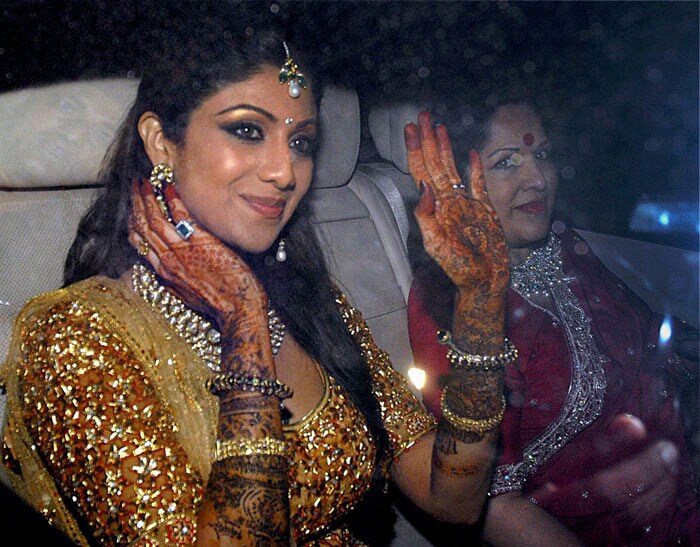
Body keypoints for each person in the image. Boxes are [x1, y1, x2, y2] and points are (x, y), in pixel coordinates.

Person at [0, 19, 512, 546]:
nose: (285, 171)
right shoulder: (73, 338)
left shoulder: (308, 301)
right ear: (161, 142)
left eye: (302, 141)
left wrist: (480, 303)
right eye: (247, 130)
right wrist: (243, 325)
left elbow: (453, 500)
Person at [407, 101, 700, 545]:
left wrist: (676, 454)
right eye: (507, 163)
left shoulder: (561, 243)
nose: (538, 180)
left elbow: (650, 343)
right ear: (458, 183)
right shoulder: (450, 299)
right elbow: (494, 502)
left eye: (542, 155)